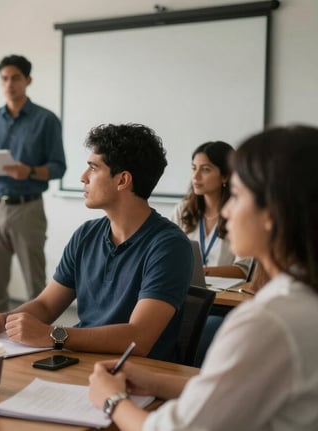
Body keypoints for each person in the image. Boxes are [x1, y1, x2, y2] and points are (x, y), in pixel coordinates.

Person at [88, 125, 318, 431]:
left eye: (236, 196)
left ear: (272, 213)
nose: (226, 213)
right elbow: (236, 388)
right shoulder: (301, 301)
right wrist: (153, 380)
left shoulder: (269, 321)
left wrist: (112, 399)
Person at [0, 123, 191, 361]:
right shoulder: (87, 234)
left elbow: (139, 338)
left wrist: (55, 335)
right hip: (82, 361)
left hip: (135, 375)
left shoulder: (169, 246)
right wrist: (3, 320)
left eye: (93, 169)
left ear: (122, 180)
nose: (83, 178)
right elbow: (46, 306)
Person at [0, 54, 66, 312]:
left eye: (15, 78)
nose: (9, 84)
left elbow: (59, 167)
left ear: (28, 80)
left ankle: (37, 336)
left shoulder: (46, 120)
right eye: (4, 78)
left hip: (28, 208)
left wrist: (30, 172)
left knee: (35, 283)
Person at [171, 141, 253, 278]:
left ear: (225, 176)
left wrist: (200, 272)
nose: (195, 176)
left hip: (226, 297)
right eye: (194, 168)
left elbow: (243, 270)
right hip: (186, 293)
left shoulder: (240, 213)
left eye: (205, 169)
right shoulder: (182, 210)